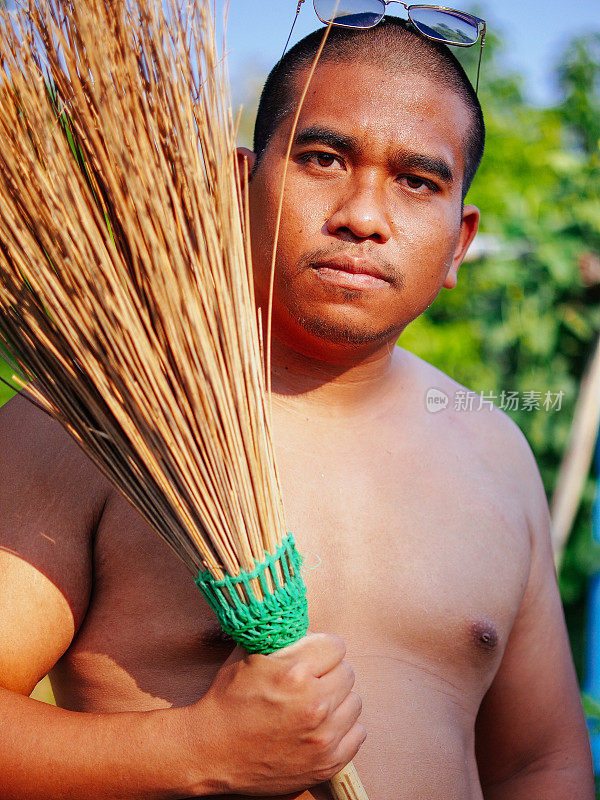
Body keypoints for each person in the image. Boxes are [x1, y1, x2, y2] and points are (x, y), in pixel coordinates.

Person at [0, 14, 594, 800]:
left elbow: (538, 763)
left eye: (418, 181)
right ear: (239, 185)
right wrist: (194, 749)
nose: (363, 215)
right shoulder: (98, 423)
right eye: (323, 158)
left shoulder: (492, 448)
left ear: (460, 241)